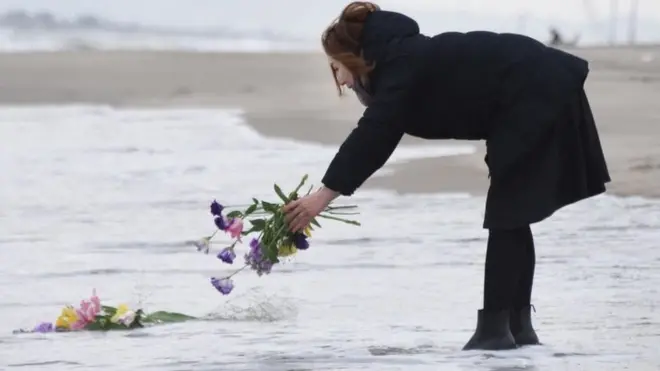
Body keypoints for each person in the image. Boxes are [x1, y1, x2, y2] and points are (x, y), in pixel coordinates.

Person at [282, 1, 610, 351]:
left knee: (508, 214)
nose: (341, 81)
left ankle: (494, 333)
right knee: (513, 215)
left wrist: (321, 197)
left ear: (352, 57)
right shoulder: (400, 63)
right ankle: (516, 327)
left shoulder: (401, 63)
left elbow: (374, 135)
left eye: (336, 68)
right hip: (533, 88)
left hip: (533, 88)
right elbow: (381, 132)